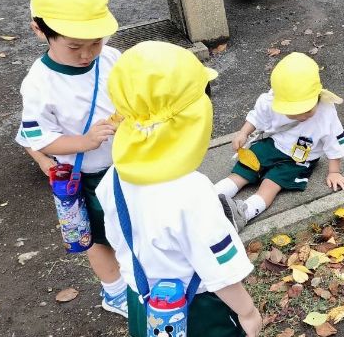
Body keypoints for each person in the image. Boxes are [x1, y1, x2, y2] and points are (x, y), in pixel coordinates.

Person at [96, 41, 262, 337]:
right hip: (197, 310)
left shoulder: (113, 177)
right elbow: (220, 270)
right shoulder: (193, 192)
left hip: (143, 304)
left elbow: (115, 238)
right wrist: (247, 312)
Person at [15, 0, 128, 317]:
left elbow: (129, 94)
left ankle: (141, 279)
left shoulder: (110, 57)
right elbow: (39, 139)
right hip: (88, 177)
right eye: (75, 45)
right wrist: (83, 142)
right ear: (40, 30)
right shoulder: (39, 84)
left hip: (126, 166)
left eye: (96, 41)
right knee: (95, 238)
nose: (88, 53)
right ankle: (115, 292)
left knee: (128, 229)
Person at [213, 52, 344, 230]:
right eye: (293, 112)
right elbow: (257, 117)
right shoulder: (270, 101)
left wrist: (334, 171)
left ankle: (243, 213)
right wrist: (243, 133)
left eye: (307, 110)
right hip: (274, 144)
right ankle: (211, 196)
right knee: (245, 168)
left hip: (301, 158)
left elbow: (333, 141)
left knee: (272, 183)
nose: (301, 116)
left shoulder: (326, 111)